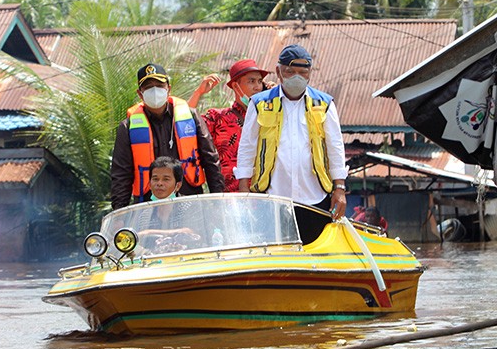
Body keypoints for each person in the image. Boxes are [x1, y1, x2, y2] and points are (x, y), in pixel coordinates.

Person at [234, 44, 347, 220]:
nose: (297, 77)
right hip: (273, 198)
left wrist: (339, 188)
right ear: (278, 72)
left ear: (310, 74)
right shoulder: (260, 103)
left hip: (316, 197)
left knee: (316, 247)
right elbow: (247, 146)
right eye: (290, 72)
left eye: (303, 73)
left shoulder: (324, 104)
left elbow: (335, 147)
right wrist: (243, 186)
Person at [110, 63, 224, 210]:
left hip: (189, 199)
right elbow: (121, 173)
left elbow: (211, 160)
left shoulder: (191, 116)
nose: (155, 90)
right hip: (147, 204)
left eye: (159, 85)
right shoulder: (128, 126)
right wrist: (120, 212)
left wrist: (218, 202)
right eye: (149, 87)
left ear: (168, 89)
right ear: (140, 93)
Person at [187, 59, 269, 191]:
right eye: (251, 81)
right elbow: (185, 125)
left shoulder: (270, 117)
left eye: (260, 82)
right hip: (229, 199)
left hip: (264, 197)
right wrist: (198, 93)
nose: (257, 87)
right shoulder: (218, 118)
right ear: (236, 86)